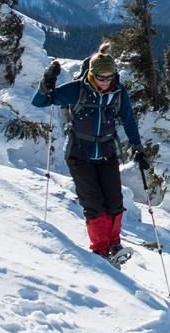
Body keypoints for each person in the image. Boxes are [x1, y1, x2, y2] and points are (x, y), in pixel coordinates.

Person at [33, 45, 148, 263]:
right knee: (93, 203)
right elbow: (39, 102)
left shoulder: (118, 93)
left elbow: (129, 121)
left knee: (114, 201)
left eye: (110, 77)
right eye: (101, 77)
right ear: (91, 74)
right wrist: (46, 84)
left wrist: (138, 148)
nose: (105, 82)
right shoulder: (76, 90)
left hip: (106, 151)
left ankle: (115, 245)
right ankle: (101, 250)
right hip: (79, 153)